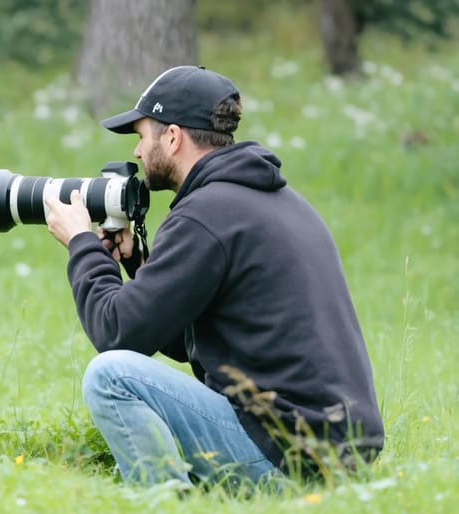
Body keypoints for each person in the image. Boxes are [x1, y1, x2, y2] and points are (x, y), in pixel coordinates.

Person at [44, 65, 384, 489]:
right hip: (335, 453)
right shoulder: (269, 200)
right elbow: (181, 340)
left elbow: (117, 334)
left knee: (110, 375)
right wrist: (134, 263)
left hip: (289, 458)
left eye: (141, 136)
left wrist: (81, 244)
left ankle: (166, 499)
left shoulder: (206, 214)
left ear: (172, 137)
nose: (136, 152)